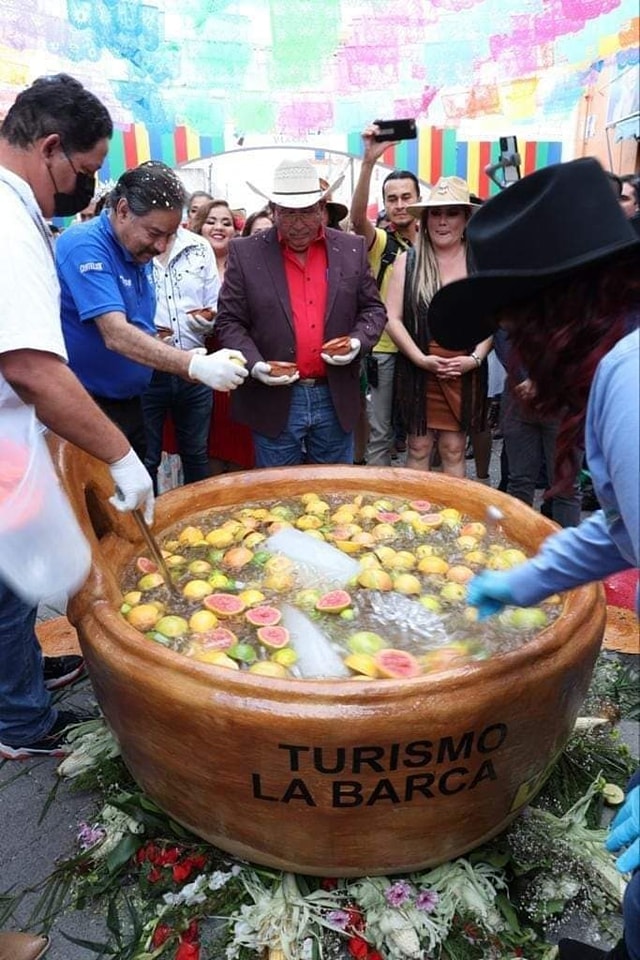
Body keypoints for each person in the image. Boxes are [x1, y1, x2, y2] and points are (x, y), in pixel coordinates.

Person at [428, 157, 639, 959]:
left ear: (557, 310)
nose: (514, 350)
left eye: (515, 326)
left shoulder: (629, 379)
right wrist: (523, 580)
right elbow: (623, 527)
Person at [0, 74, 154, 760]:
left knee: (15, 578)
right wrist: (121, 455)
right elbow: (32, 366)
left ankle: (21, 676)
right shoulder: (7, 219)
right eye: (86, 171)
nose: (84, 188)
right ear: (52, 148)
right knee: (7, 582)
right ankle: (21, 725)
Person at [55, 163, 247, 462]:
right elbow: (116, 333)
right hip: (90, 405)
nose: (160, 246)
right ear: (122, 211)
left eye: (170, 236)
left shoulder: (137, 251)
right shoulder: (85, 244)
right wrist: (193, 365)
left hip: (133, 402)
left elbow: (141, 328)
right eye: (154, 233)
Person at [215, 157, 388, 467]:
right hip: (275, 399)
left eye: (307, 213)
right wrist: (254, 365)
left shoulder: (351, 249)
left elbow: (373, 310)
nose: (298, 225)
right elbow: (229, 321)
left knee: (335, 497)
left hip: (334, 395)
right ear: (273, 210)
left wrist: (358, 342)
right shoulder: (246, 252)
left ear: (322, 208)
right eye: (288, 214)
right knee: (279, 495)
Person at [384, 176, 492, 477]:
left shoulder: (479, 261)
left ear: (466, 218)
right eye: (436, 213)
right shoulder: (408, 260)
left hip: (465, 367)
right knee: (418, 447)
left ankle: (451, 521)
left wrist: (474, 360)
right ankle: (412, 517)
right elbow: (391, 318)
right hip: (420, 367)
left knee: (454, 448)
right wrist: (420, 359)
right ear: (426, 218)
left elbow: (493, 319)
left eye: (452, 213)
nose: (442, 222)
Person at [350, 125, 421, 465]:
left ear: (419, 199)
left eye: (407, 197)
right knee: (380, 434)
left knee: (422, 435)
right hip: (384, 351)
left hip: (424, 347)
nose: (399, 204)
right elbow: (355, 218)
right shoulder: (379, 241)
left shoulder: (437, 241)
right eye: (392, 199)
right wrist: (367, 164)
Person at [141, 223, 220, 492]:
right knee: (146, 457)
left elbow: (214, 305)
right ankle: (147, 528)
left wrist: (205, 323)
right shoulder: (134, 243)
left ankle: (197, 524)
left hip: (196, 367)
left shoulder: (199, 247)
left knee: (197, 454)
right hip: (146, 371)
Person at [191, 197, 256, 473]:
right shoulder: (187, 264)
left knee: (239, 441)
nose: (219, 227)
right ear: (199, 226)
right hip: (197, 363)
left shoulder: (246, 265)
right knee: (204, 442)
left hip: (238, 362)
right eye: (211, 221)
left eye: (226, 222)